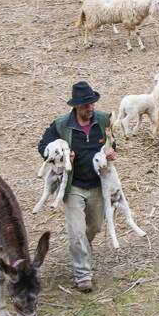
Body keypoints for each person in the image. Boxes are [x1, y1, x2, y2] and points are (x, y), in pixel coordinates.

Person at [38, 81, 116, 291]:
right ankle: (83, 275)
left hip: (97, 185)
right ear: (76, 107)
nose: (90, 108)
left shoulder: (102, 119)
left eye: (92, 104)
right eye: (85, 106)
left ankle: (82, 248)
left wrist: (110, 152)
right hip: (73, 186)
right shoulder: (62, 124)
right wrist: (60, 156)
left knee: (96, 227)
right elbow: (44, 147)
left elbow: (111, 142)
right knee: (77, 232)